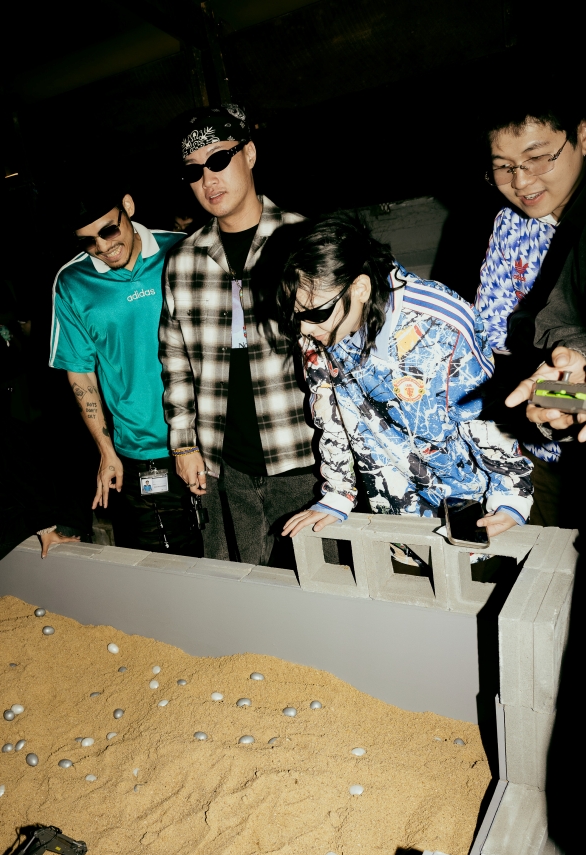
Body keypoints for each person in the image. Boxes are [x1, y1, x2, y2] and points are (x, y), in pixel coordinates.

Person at [275, 213, 533, 540]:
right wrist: (338, 493)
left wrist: (511, 495)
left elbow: (485, 415)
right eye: (294, 315)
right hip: (390, 512)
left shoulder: (441, 324)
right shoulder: (320, 330)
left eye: (315, 313)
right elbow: (331, 413)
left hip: (469, 507)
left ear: (360, 288)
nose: (303, 328)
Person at [159, 103, 316, 567]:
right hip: (222, 465)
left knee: (313, 584)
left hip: (302, 454)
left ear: (248, 153)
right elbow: (175, 362)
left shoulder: (303, 239)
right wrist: (184, 444)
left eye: (218, 159)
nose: (208, 180)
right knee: (236, 586)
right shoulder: (183, 260)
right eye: (193, 171)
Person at [49, 185, 201, 556]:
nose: (102, 247)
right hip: (141, 450)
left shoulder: (183, 249)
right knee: (163, 563)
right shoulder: (72, 282)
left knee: (231, 555)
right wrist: (106, 450)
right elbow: (80, 373)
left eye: (108, 230)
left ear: (128, 207)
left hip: (211, 436)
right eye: (88, 241)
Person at [475, 94, 586, 525]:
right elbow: (491, 328)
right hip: (541, 438)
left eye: (537, 158)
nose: (521, 181)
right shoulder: (511, 225)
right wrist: (561, 392)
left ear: (582, 137)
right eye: (504, 167)